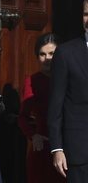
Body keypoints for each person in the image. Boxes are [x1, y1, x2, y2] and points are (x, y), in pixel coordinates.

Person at [47, 0, 88, 183]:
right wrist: (57, 148)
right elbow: (56, 104)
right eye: (86, 14)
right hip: (79, 152)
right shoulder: (65, 53)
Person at [18, 32, 65, 183]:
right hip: (43, 149)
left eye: (52, 53)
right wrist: (33, 135)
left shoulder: (71, 78)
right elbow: (23, 117)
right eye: (42, 54)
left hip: (69, 147)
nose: (47, 58)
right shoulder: (32, 81)